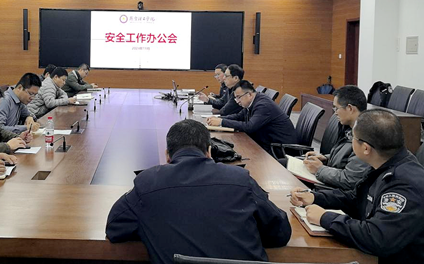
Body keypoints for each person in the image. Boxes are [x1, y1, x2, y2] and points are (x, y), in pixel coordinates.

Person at [106, 119, 291, 263]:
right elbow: (281, 232)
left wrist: (153, 227)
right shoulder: (241, 179)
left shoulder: (147, 183)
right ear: (209, 152)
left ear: (167, 155)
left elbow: (115, 228)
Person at [290, 109, 424, 263]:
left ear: (365, 148)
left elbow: (377, 237)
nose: (351, 140)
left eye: (353, 137)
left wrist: (325, 218)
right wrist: (315, 197)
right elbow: (357, 198)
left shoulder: (404, 184)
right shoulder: (385, 163)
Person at [302, 85, 370, 190]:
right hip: (333, 180)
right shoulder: (349, 129)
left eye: (337, 108)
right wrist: (326, 158)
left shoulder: (364, 137)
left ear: (350, 108)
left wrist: (319, 169)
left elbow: (350, 180)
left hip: (342, 192)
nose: (335, 112)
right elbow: (347, 158)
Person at [207, 80, 296, 152]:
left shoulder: (263, 105)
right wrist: (218, 119)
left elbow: (249, 127)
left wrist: (222, 122)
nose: (237, 101)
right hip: (267, 141)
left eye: (238, 97)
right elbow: (238, 116)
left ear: (249, 94)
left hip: (280, 148)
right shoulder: (253, 101)